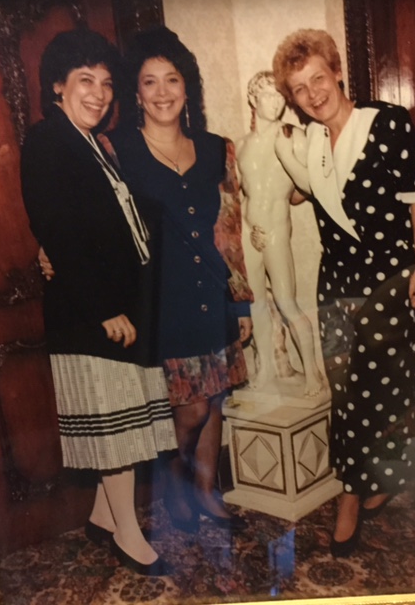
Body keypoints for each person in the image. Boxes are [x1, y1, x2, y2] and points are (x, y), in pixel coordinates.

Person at [20, 28, 177, 576]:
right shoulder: (48, 140)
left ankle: (103, 517)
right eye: (85, 80)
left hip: (119, 303)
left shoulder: (95, 144)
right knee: (118, 433)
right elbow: (58, 228)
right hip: (90, 313)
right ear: (57, 86)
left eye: (107, 84)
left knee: (125, 422)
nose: (99, 94)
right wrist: (103, 308)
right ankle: (129, 535)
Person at [272, 28, 415, 556]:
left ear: (337, 72)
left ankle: (350, 495)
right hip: (335, 286)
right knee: (346, 392)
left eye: (318, 78)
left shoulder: (385, 122)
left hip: (387, 281)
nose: (313, 93)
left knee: (376, 391)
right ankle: (375, 480)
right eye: (300, 88)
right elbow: (301, 192)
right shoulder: (311, 143)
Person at [101, 26, 253, 532]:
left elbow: (229, 229)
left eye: (172, 79)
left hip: (213, 293)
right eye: (150, 82)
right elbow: (92, 216)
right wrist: (52, 248)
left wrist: (240, 301)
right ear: (135, 92)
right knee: (191, 408)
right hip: (161, 303)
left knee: (215, 400)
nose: (162, 92)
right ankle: (174, 480)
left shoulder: (216, 149)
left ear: (188, 88)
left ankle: (207, 491)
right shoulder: (116, 149)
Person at [237, 70, 325, 400]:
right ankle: (266, 371)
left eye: (279, 97)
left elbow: (311, 185)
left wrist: (287, 154)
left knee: (287, 303)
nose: (275, 103)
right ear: (253, 99)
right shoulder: (240, 145)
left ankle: (313, 373)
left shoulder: (293, 136)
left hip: (276, 229)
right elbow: (237, 196)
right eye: (267, 96)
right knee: (257, 305)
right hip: (250, 233)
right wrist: (246, 229)